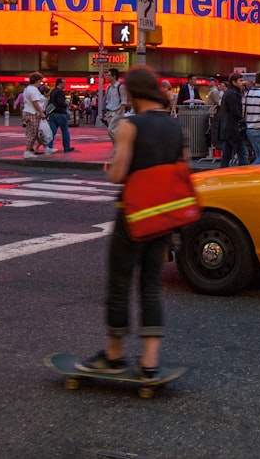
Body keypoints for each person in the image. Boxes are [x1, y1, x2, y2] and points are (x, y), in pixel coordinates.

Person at [76, 66, 186, 381]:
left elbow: (118, 174)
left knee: (120, 282)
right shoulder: (176, 126)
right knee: (151, 284)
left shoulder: (129, 126)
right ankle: (150, 361)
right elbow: (182, 167)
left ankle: (114, 355)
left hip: (133, 214)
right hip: (164, 213)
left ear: (133, 94)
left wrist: (109, 167)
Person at [217, 73, 248, 167]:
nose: (242, 83)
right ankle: (243, 172)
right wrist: (242, 121)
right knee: (242, 153)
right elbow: (235, 112)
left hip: (227, 127)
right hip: (234, 128)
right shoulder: (233, 94)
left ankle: (223, 171)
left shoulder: (229, 93)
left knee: (227, 154)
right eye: (240, 80)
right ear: (234, 82)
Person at [21, 72, 48, 159]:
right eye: (40, 80)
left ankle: (30, 150)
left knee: (32, 133)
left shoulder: (28, 89)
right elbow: (35, 102)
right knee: (32, 133)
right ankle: (27, 151)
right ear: (36, 80)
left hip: (29, 112)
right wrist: (41, 112)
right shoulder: (33, 89)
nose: (41, 82)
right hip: (32, 113)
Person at [46, 77, 74, 154]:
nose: (65, 84)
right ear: (60, 83)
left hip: (53, 113)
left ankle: (49, 147)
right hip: (60, 113)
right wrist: (67, 103)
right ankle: (66, 147)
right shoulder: (60, 92)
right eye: (64, 83)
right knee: (65, 131)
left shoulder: (53, 91)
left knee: (52, 132)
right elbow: (61, 102)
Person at [104, 68, 126, 140]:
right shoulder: (108, 88)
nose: (107, 77)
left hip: (117, 112)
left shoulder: (121, 87)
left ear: (114, 76)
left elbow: (123, 101)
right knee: (114, 132)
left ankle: (120, 145)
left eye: (109, 75)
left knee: (110, 130)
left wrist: (119, 113)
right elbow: (107, 100)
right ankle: (117, 148)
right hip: (109, 113)